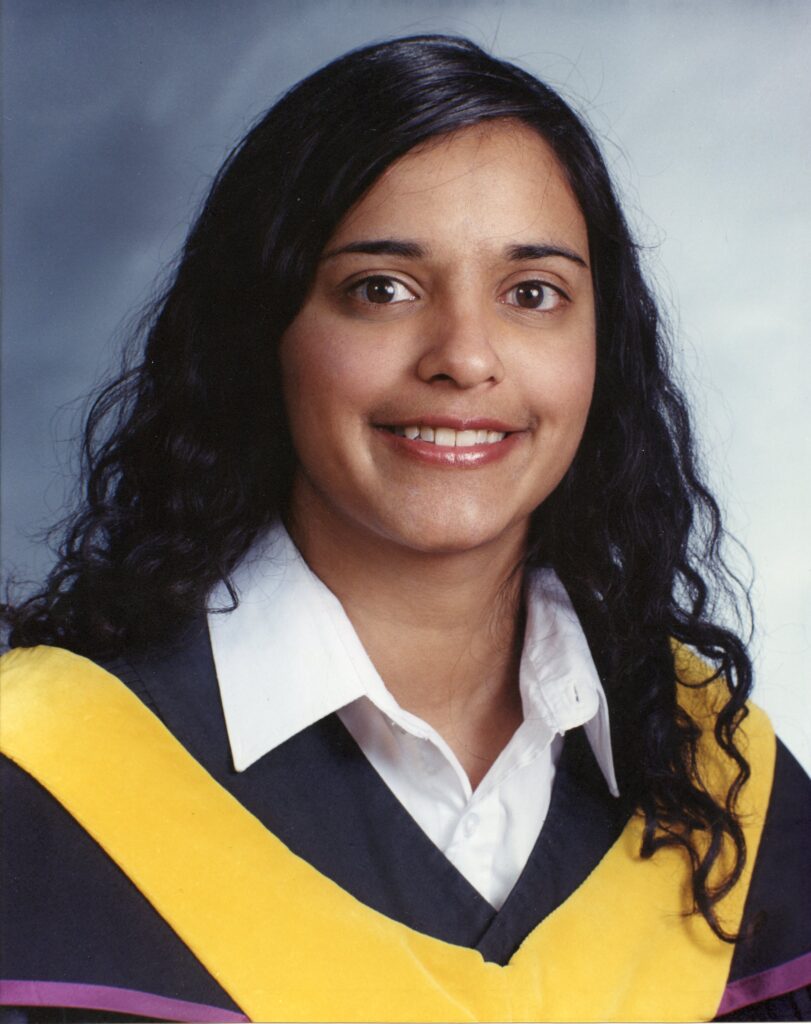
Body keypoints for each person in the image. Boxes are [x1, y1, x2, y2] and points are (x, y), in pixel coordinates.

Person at [1, 34, 809, 1024]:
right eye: (381, 288)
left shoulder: (718, 781)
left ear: (603, 350)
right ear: (267, 330)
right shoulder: (38, 781)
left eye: (532, 293)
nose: (464, 358)